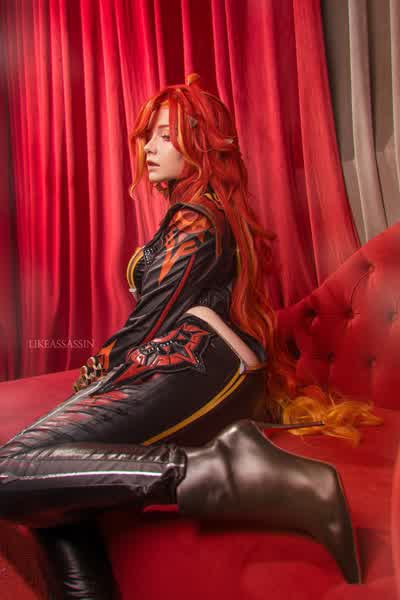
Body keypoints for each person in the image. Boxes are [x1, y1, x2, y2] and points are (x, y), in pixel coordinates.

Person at [0, 73, 381, 599]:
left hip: (195, 369)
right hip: (199, 369)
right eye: (148, 137)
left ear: (200, 144)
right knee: (52, 490)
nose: (148, 149)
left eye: (165, 136)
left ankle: (224, 471)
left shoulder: (196, 219)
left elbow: (150, 321)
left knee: (9, 467)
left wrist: (99, 376)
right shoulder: (203, 213)